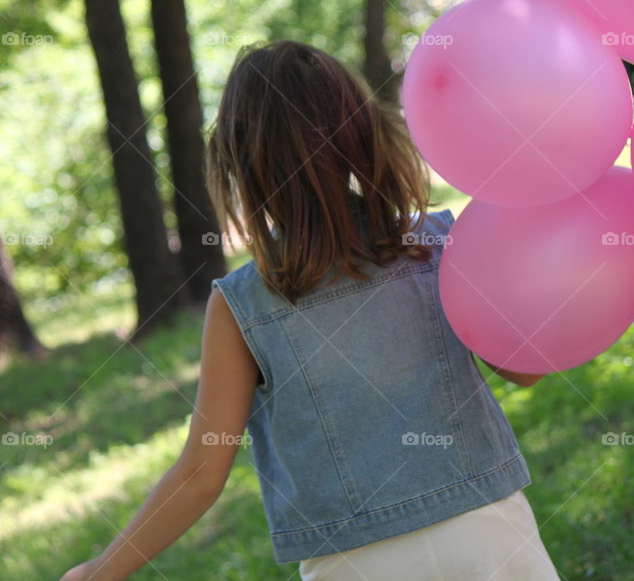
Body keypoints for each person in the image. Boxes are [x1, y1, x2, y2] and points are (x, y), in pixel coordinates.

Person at [61, 41, 559, 581]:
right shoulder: (441, 245)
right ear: (366, 134)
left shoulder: (241, 305)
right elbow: (525, 370)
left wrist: (99, 571)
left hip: (353, 562)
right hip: (489, 529)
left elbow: (202, 473)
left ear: (240, 164)